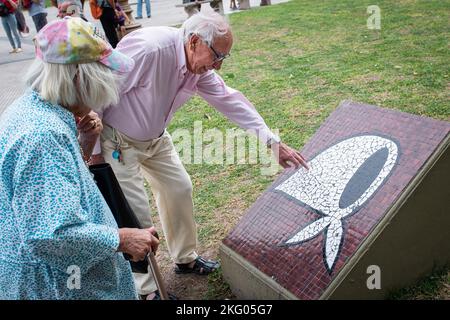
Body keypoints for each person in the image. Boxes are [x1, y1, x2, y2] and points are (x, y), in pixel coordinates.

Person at [90, 12, 308, 300]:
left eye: (223, 59)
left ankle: (185, 259)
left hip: (156, 137)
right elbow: (100, 96)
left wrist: (272, 142)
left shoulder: (198, 68)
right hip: (116, 140)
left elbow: (231, 100)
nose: (218, 66)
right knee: (135, 216)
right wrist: (94, 155)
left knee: (179, 188)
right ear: (194, 42)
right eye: (217, 56)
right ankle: (147, 290)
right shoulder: (149, 49)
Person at [0, 17, 160, 299]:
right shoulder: (41, 136)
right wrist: (122, 239)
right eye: (104, 72)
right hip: (60, 287)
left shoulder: (37, 112)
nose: (109, 84)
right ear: (79, 77)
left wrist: (84, 145)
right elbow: (49, 234)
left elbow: (57, 194)